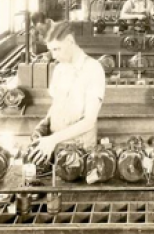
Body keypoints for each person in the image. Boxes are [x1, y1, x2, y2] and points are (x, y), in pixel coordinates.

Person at [29, 22, 106, 164]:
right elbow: (56, 104)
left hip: (80, 151)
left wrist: (52, 139)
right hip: (55, 146)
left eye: (57, 49)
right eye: (51, 50)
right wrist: (45, 124)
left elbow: (89, 121)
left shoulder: (93, 69)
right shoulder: (59, 69)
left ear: (70, 41)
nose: (53, 55)